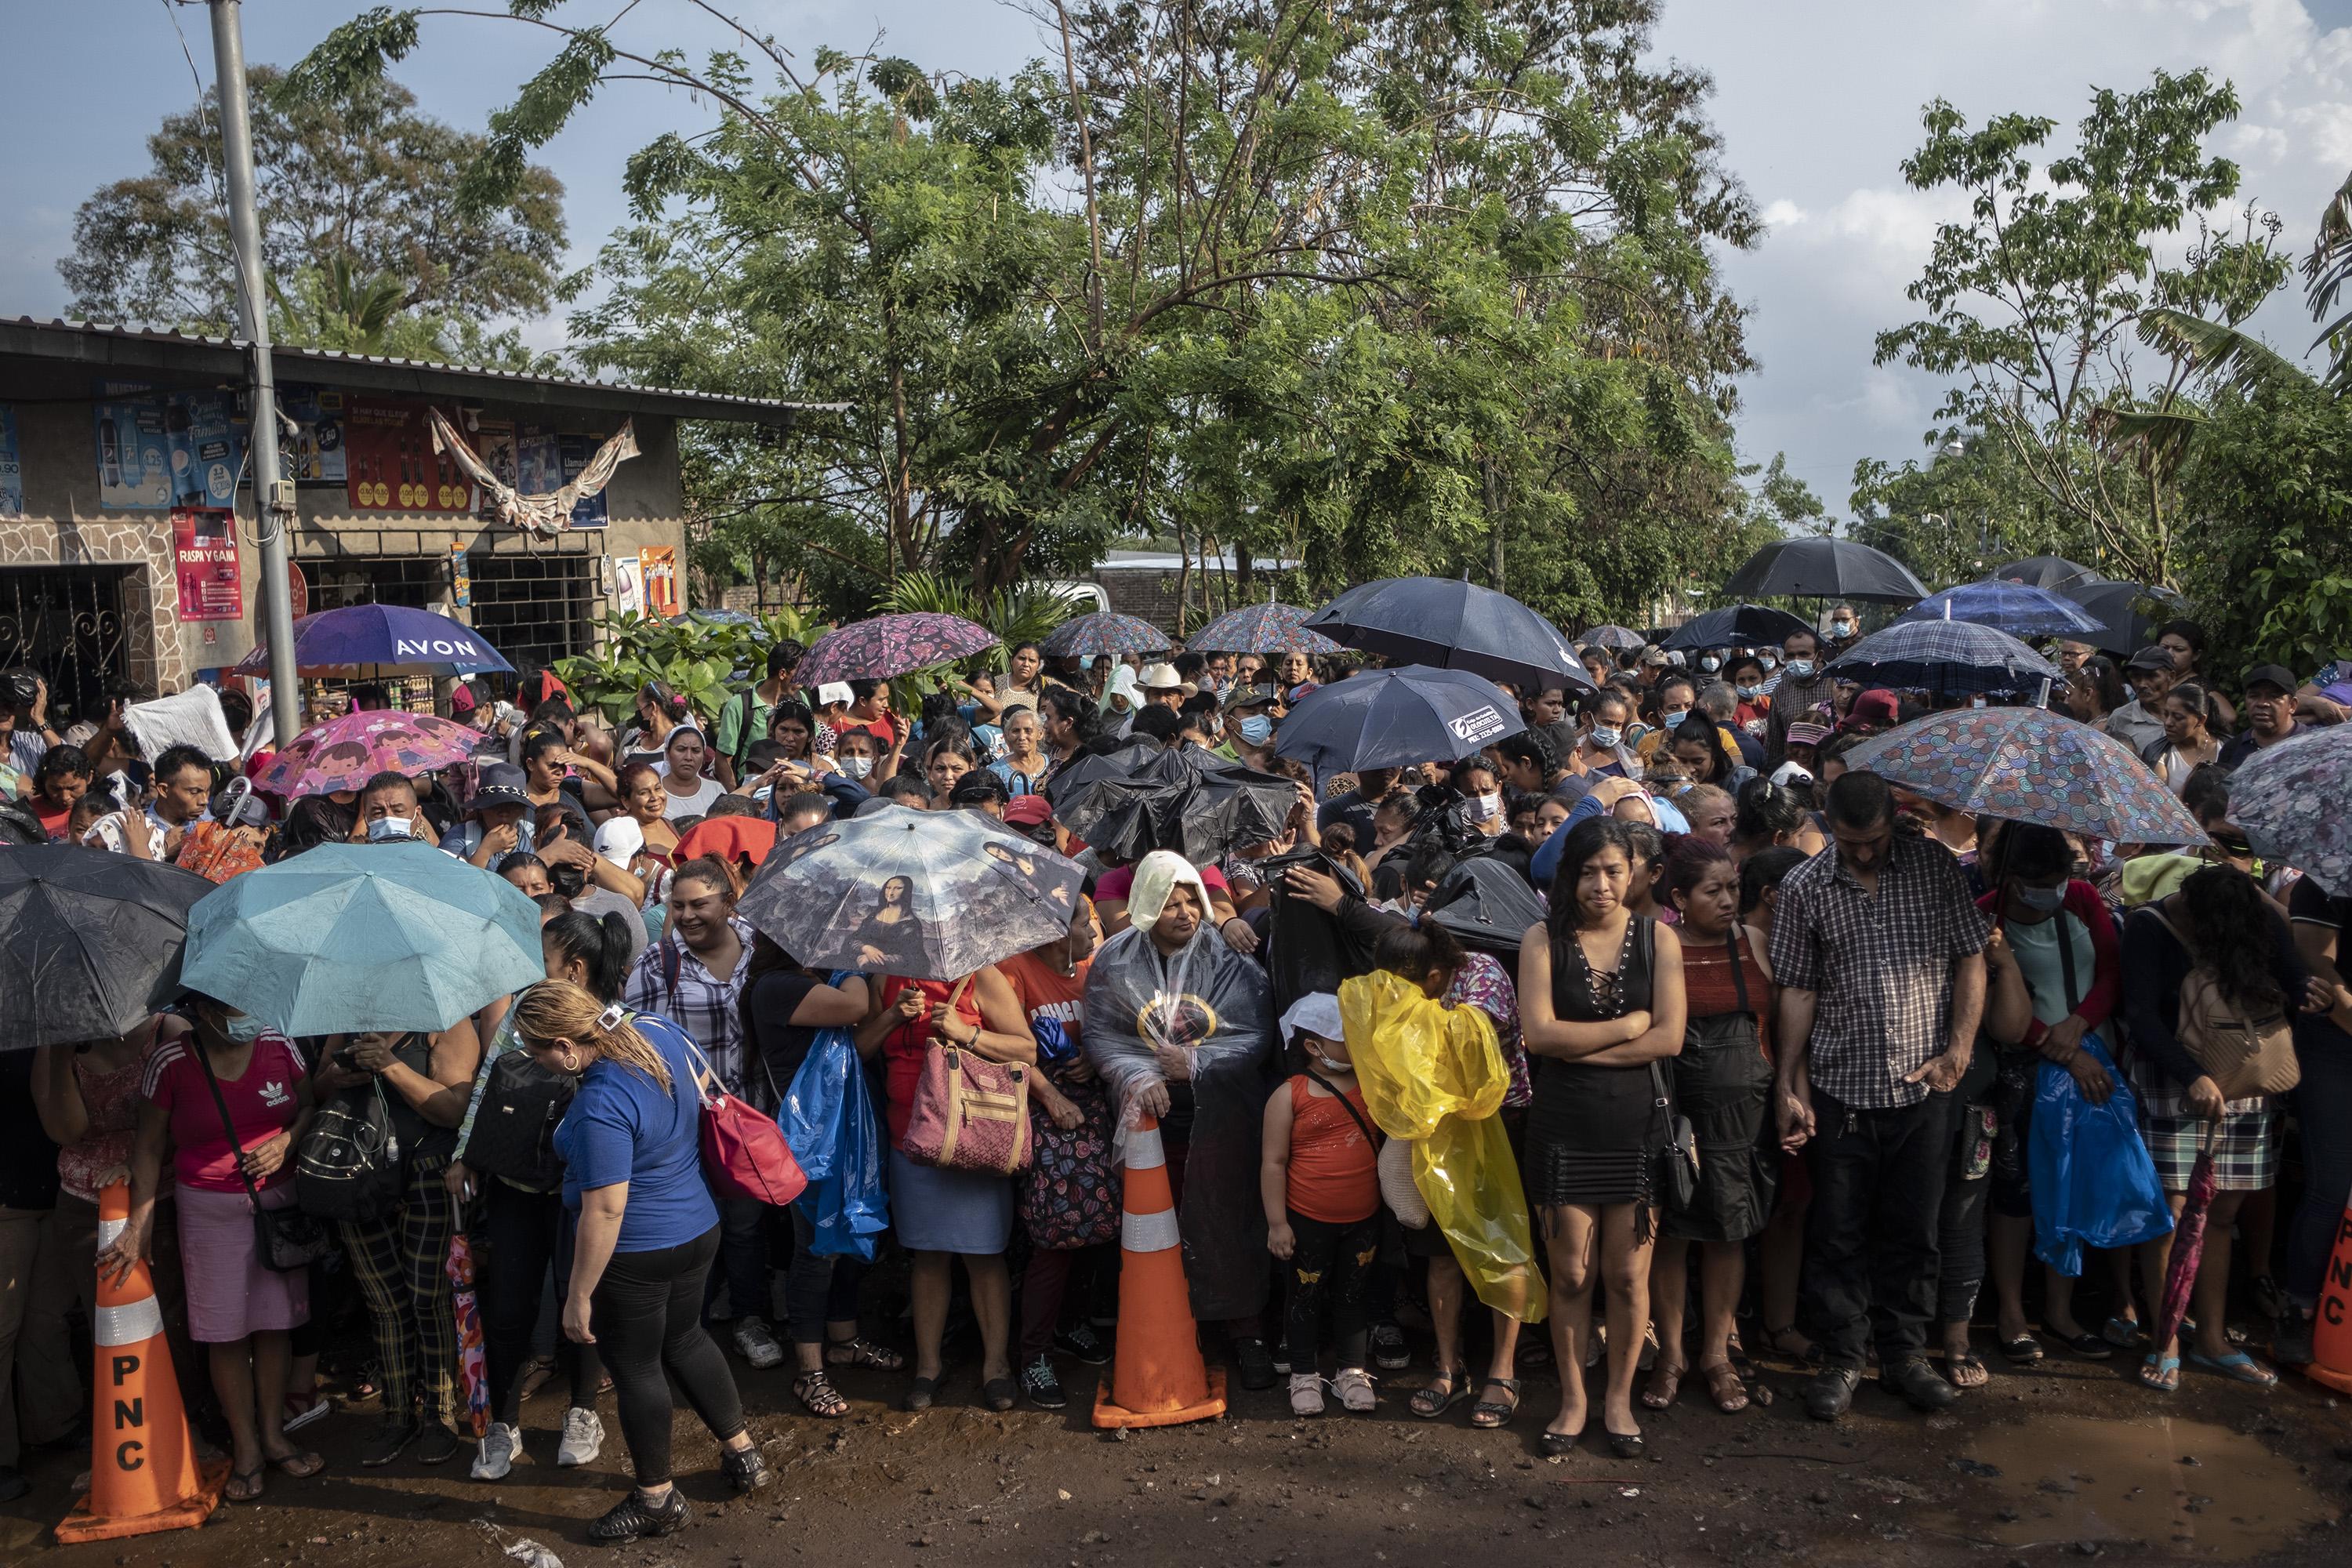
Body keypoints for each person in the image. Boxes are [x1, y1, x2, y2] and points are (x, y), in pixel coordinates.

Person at [510, 982, 768, 1539]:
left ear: (565, 1044)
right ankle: (743, 1452)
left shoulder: (603, 1101)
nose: (536, 1063)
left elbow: (605, 1208)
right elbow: (697, 1086)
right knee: (688, 1338)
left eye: (537, 1052)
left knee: (636, 1367)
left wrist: (578, 1295)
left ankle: (656, 1499)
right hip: (697, 1226)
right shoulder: (655, 1030)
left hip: (637, 1251)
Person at [1769, 770, 1988, 1421]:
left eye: (1873, 840)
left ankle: (1905, 1354)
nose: (1863, 852)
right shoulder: (1804, 887)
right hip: (1842, 1087)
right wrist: (1787, 1080)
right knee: (1838, 1230)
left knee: (1915, 1228)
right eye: (1848, 841)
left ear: (1894, 822)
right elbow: (1798, 989)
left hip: (1925, 1087)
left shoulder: (1935, 867)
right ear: (1827, 826)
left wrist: (1960, 1050)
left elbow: (1971, 957)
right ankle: (1844, 1356)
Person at [103, 996, 322, 1503]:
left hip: (278, 1213)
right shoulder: (171, 1061)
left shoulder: (278, 1045)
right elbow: (149, 1145)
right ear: (200, 1006)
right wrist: (138, 1221)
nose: (245, 1011)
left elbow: (308, 1103)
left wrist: (287, 1141)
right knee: (225, 1333)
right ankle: (245, 1449)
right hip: (207, 1214)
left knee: (274, 1326)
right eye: (229, 1003)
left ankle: (272, 1437)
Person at [1517, 818, 1687, 1457]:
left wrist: (1582, 1047)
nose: (1602, 883)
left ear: (1636, 873)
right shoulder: (1542, 940)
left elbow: (1668, 1040)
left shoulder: (1657, 940)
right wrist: (1628, 1027)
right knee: (1568, 1275)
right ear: (1569, 875)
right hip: (1563, 1130)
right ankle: (1572, 1399)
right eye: (1588, 871)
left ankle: (1616, 1401)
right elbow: (1539, 1037)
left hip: (1637, 1130)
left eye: (1614, 870)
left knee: (1625, 1275)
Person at [1085, 851, 1283, 1388]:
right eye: (1170, 903)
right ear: (1146, 905)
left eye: (1191, 899)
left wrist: (1198, 1062)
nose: (1185, 912)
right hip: (1152, 1122)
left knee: (1230, 1218)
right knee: (1162, 1228)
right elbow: (1102, 1035)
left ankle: (1246, 1331)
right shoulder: (1115, 961)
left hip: (1221, 1119)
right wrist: (1137, 1074)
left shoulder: (1229, 957)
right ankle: (1174, 1327)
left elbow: (1255, 1034)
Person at [2121, 866, 2319, 1392]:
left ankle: (2211, 1340)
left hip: (2242, 1074)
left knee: (2224, 1210)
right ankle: (2165, 1341)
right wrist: (2192, 1077)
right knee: (2175, 1209)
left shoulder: (2248, 916)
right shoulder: (2148, 927)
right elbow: (2140, 1015)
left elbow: (2297, 977)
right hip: (2171, 1074)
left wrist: (2266, 903)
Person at [452, 912, 632, 1480]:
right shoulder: (525, 1013)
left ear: (573, 969)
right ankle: (503, 1424)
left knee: (583, 1305)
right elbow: (489, 1080)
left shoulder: (615, 1025)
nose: (532, 968)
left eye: (542, 959)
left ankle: (583, 1411)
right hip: (514, 1187)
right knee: (508, 1307)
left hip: (581, 1194)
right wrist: (465, 1151)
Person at [1973, 824, 2124, 1371]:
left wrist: (2081, 1025)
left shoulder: (2082, 897)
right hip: (2024, 1074)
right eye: (2042, 882)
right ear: (2014, 877)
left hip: (2093, 1064)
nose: (2055, 890)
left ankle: (2061, 1311)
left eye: (2061, 879)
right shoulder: (1987, 916)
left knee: (2073, 1187)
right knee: (2015, 1194)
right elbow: (1996, 1012)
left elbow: (2110, 971)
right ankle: (2012, 1312)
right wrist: (2056, 1044)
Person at [855, 955, 1035, 1412]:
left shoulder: (982, 975)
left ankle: (996, 1367)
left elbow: (1026, 1051)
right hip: (909, 1141)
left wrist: (965, 1032)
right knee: (929, 1254)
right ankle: (927, 1367)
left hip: (974, 1140)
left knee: (984, 1256)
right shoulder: (884, 979)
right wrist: (893, 1015)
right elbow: (859, 1050)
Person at [307, 1007, 484, 1467]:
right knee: (384, 1304)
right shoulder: (346, 1019)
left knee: (429, 1298)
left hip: (426, 1177)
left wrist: (390, 1065)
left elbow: (452, 1110)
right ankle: (397, 1413)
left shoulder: (444, 1022)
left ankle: (441, 1414)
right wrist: (341, 1073)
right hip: (357, 1178)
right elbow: (315, 1088)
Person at [739, 933, 899, 1417]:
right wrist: (854, 961)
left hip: (845, 1131)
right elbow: (854, 1008)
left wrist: (893, 1013)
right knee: (815, 1251)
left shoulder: (812, 983)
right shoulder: (776, 986)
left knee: (845, 1239)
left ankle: (844, 1341)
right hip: (807, 1140)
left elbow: (857, 1051)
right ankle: (809, 1373)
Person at [621, 858, 770, 1365]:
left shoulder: (761, 946)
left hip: (751, 1118)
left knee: (748, 1226)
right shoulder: (658, 964)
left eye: (700, 904)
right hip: (686, 1126)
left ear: (728, 902)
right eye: (678, 905)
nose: (687, 915)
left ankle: (752, 1319)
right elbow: (636, 1047)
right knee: (697, 1227)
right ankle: (690, 1333)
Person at [1647, 837, 1776, 1415]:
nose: (1728, 901)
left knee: (1729, 1228)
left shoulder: (1753, 943)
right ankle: (1670, 1355)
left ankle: (1717, 1355)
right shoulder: (1657, 945)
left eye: (1734, 889)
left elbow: (1775, 1026)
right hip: (1670, 1109)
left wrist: (1789, 1088)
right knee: (1671, 1230)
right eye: (1713, 891)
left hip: (1742, 1111)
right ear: (1678, 896)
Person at [1001, 898, 1112, 1409]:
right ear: (1049, 932)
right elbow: (1007, 1050)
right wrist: (1052, 1095)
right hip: (1043, 1113)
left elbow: (1112, 1028)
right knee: (1054, 1238)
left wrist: (1095, 1054)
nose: (1093, 928)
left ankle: (1073, 1323)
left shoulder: (1092, 967)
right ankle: (1034, 1355)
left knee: (1096, 1228)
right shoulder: (1014, 972)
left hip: (1094, 1111)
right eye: (1080, 921)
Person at [1261, 992, 1381, 1416]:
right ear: (1314, 1047)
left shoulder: (1372, 1084)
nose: (1357, 1042)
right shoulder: (1289, 1095)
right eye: (1344, 1037)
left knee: (1353, 1296)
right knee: (1304, 1297)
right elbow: (1273, 1163)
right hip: (1307, 1221)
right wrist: (1278, 1223)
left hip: (1363, 1219)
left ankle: (1352, 1372)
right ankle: (1303, 1374)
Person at [2281, 865, 2352, 1366]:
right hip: (2334, 1048)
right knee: (2331, 1186)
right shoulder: (2321, 881)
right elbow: (2317, 967)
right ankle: (2299, 1307)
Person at [714, 641, 805, 789]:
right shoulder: (739, 706)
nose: (802, 682)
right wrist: (738, 796)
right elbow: (723, 761)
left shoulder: (800, 700)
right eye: (799, 674)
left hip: (789, 792)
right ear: (783, 674)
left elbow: (811, 747)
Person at [1766, 630, 1837, 764]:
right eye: (1790, 656)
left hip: (1829, 767)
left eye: (1804, 654)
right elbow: (1774, 740)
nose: (1797, 660)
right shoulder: (1781, 689)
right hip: (1793, 768)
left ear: (1819, 655)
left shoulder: (1836, 685)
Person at [2220, 664, 2303, 768]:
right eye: (2254, 696)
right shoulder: (2232, 749)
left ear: (2292, 705)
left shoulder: (2313, 745)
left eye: (2273, 697)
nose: (2262, 703)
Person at [2147, 681, 2223, 790]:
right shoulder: (2158, 754)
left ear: (2201, 719)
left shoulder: (2227, 748)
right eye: (2166, 714)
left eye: (2178, 717)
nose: (2168, 723)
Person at [2104, 646, 2176, 756]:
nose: (2142, 684)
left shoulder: (2188, 716)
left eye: (2151, 676)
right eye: (2136, 677)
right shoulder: (2120, 718)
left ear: (2171, 677)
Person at [27, 742, 90, 840]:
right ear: (44, 782)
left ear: (89, 777)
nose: (65, 797)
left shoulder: (102, 809)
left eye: (72, 788)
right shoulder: (29, 814)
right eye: (56, 789)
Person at [989, 703, 1051, 797]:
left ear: (1040, 734)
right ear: (1007, 735)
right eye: (1016, 731)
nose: (1022, 737)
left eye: (1028, 730)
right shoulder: (995, 771)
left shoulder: (1052, 765)